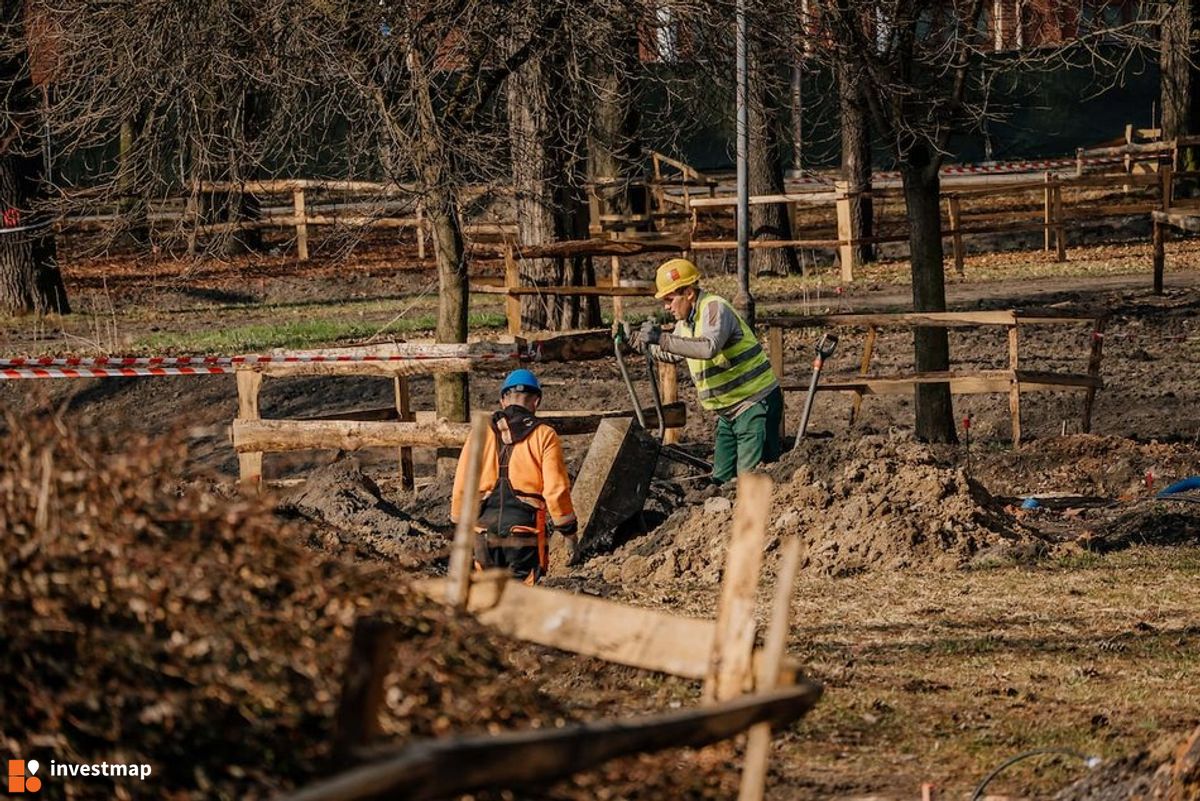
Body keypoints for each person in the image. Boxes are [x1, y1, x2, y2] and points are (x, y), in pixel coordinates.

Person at [630, 258, 783, 484]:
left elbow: (708, 347)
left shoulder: (714, 308)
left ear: (689, 293)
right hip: (728, 412)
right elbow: (673, 352)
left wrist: (661, 338)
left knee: (750, 481)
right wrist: (636, 342)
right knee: (720, 479)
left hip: (753, 404)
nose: (666, 307)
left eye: (670, 299)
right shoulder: (686, 323)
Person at [450, 369, 577, 585]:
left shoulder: (480, 433)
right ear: (536, 401)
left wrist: (457, 524)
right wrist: (569, 532)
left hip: (482, 532)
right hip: (524, 534)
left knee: (485, 596)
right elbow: (556, 490)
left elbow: (462, 483)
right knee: (521, 598)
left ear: (503, 400)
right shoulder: (544, 435)